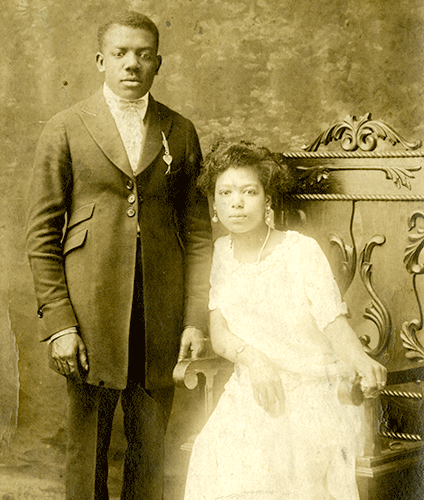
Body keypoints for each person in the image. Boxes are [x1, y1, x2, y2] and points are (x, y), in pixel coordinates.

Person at [25, 11, 212, 500]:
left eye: (144, 55)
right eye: (122, 54)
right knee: (87, 451)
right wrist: (61, 325)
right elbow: (42, 236)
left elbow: (198, 235)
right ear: (100, 60)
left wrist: (194, 319)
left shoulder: (181, 130)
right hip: (90, 315)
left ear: (158, 64)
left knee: (151, 450)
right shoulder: (65, 127)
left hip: (161, 314)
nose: (132, 64)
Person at [183, 141, 387, 500]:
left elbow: (332, 321)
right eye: (225, 193)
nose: (237, 202)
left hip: (314, 394)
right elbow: (220, 333)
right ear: (214, 205)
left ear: (267, 202)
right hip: (252, 391)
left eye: (249, 192)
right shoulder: (220, 254)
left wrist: (361, 361)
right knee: (211, 454)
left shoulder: (300, 250)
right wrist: (254, 358)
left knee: (278, 468)